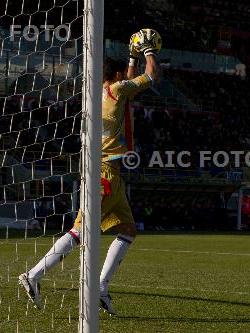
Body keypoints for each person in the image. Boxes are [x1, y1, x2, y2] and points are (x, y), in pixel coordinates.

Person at [19, 29, 160, 315]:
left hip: (109, 173)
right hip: (105, 172)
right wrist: (147, 52)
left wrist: (130, 58)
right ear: (119, 76)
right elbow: (151, 76)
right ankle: (33, 276)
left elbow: (128, 79)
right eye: (124, 74)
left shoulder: (102, 92)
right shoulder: (118, 90)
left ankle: (101, 287)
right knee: (80, 231)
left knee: (128, 230)